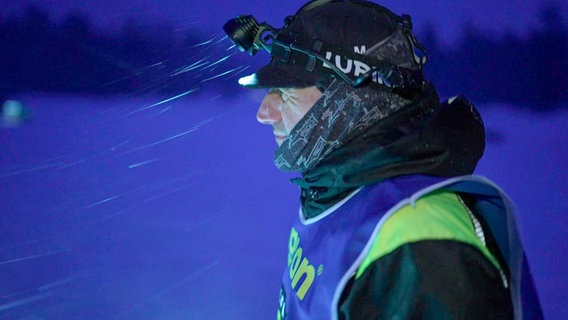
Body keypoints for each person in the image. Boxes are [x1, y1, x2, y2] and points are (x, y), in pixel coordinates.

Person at [223, 1, 544, 319]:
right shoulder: (337, 194)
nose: (264, 113)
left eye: (285, 92)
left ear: (351, 103)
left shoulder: (417, 242)